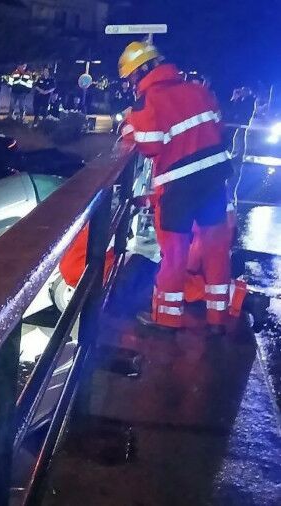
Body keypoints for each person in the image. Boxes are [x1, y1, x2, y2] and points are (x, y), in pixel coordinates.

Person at [118, 41, 232, 333]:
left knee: (175, 255)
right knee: (216, 249)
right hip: (213, 182)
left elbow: (151, 145)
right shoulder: (198, 90)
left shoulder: (148, 102)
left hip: (178, 189)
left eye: (131, 77)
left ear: (142, 71)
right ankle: (218, 319)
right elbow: (217, 128)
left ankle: (167, 320)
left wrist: (129, 123)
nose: (132, 83)